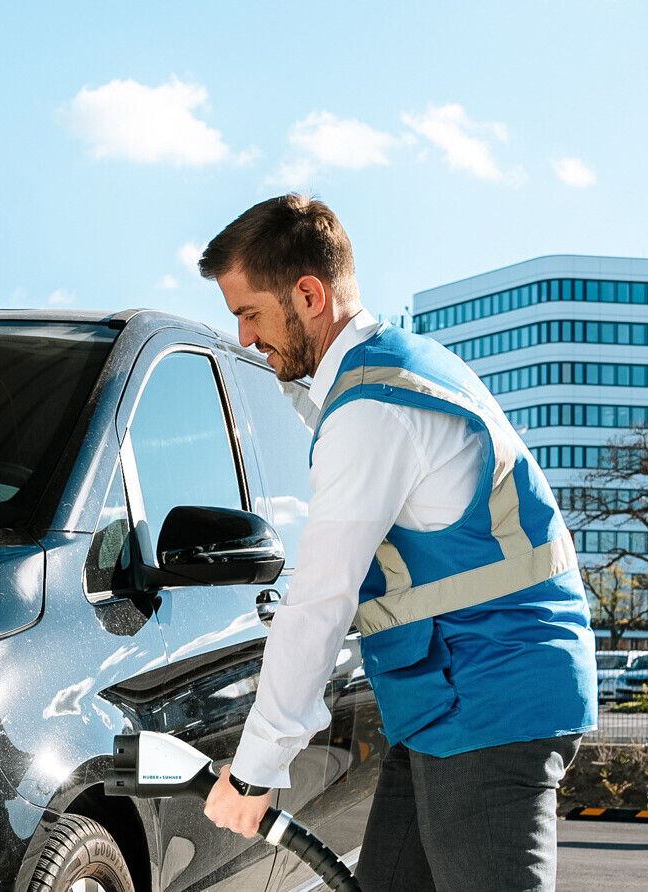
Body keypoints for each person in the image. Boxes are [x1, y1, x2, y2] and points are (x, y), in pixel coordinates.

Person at [198, 194, 597, 892]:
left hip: (490, 697)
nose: (242, 336)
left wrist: (255, 770)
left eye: (250, 312)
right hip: (454, 700)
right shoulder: (390, 372)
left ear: (309, 294)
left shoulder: (372, 409)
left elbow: (320, 599)